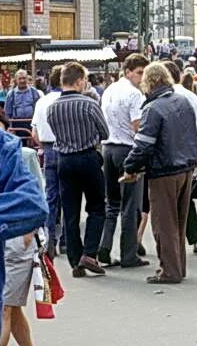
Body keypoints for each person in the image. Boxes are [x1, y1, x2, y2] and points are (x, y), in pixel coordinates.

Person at [123, 63, 197, 285]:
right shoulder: (183, 101)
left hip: (164, 171)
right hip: (185, 168)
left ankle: (169, 271)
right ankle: (178, 267)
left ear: (150, 82)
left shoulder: (153, 108)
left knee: (163, 224)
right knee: (179, 222)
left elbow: (143, 146)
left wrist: (130, 167)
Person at [0, 117, 48, 346]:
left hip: (16, 247)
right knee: (10, 308)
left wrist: (29, 233)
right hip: (8, 245)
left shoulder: (6, 148)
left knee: (6, 308)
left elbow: (34, 202)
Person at [47, 62, 109, 277]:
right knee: (97, 207)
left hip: (64, 160)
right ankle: (90, 253)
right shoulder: (89, 104)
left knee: (70, 211)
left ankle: (75, 259)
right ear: (80, 80)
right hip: (88, 157)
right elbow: (105, 132)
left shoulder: (52, 107)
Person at [99, 54, 149, 268]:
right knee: (130, 205)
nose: (141, 77)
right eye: (139, 73)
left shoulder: (110, 89)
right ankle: (129, 254)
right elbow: (137, 126)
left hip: (108, 148)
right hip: (127, 149)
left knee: (111, 203)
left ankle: (104, 247)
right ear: (128, 71)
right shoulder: (134, 94)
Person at [165, 61, 197, 254]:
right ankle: (195, 237)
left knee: (164, 200)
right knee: (185, 196)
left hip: (167, 155)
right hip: (189, 153)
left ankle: (173, 241)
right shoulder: (190, 96)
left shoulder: (161, 97)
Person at [31, 65, 64, 257]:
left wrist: (43, 144)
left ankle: (50, 240)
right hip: (68, 148)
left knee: (51, 196)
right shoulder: (67, 100)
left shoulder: (42, 101)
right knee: (69, 195)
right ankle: (67, 241)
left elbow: (34, 132)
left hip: (49, 148)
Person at [3, 69, 42, 138]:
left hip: (31, 123)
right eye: (20, 78)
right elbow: (7, 113)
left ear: (27, 78)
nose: (22, 80)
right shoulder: (11, 94)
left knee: (33, 146)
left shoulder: (34, 92)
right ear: (16, 80)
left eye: (24, 78)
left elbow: (39, 110)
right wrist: (10, 127)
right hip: (17, 125)